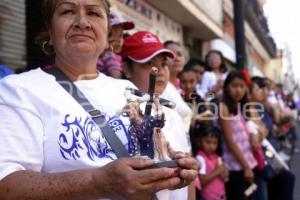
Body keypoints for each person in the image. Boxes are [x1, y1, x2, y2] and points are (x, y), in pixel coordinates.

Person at [0, 1, 199, 199]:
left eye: (93, 13)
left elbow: (155, 150)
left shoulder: (128, 91)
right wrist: (99, 182)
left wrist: (175, 164)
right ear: (50, 31)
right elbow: (5, 185)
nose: (82, 22)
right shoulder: (19, 90)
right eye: (68, 11)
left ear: (107, 32)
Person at [121, 30, 194, 200]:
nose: (160, 71)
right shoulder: (122, 113)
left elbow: (189, 167)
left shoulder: (173, 113)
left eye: (163, 64)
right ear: (126, 69)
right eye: (149, 64)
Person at [219, 71, 257, 200]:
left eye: (242, 86)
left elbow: (250, 127)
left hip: (247, 162)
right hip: (235, 166)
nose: (238, 90)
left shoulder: (241, 105)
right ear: (226, 87)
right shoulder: (223, 107)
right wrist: (246, 167)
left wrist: (253, 135)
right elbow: (230, 141)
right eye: (234, 86)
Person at [162, 40, 193, 135]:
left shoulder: (184, 86)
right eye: (171, 55)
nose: (176, 58)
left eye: (179, 54)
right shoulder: (160, 88)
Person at [97, 13, 134, 78]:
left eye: (120, 35)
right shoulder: (109, 56)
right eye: (110, 35)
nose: (118, 40)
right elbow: (116, 77)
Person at [195, 126, 228, 200]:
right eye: (208, 142)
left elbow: (225, 177)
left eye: (215, 143)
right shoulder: (200, 158)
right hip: (207, 197)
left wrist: (223, 170)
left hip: (221, 196)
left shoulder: (216, 157)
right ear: (199, 142)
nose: (211, 146)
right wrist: (218, 171)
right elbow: (201, 181)